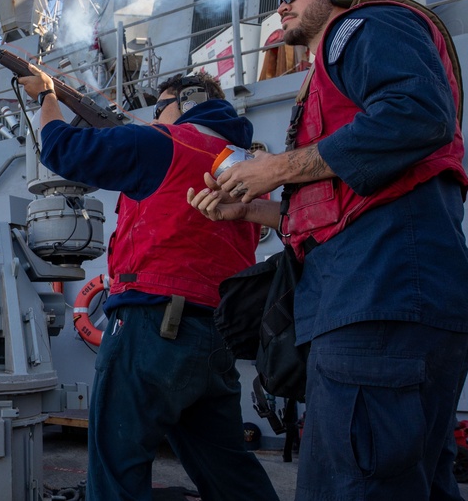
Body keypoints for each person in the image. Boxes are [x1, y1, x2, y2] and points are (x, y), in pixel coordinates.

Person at [189, 0, 468, 500]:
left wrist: (277, 167)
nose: (280, 7)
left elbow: (418, 114)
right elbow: (336, 204)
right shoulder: (339, 60)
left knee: (350, 484)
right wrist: (249, 208)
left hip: (377, 298)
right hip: (388, 295)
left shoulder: (359, 24)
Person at [18, 68, 279, 501]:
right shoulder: (248, 168)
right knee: (230, 471)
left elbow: (62, 150)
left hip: (150, 329)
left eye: (160, 108)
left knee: (117, 471)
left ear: (190, 102)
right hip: (216, 337)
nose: (154, 117)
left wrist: (46, 97)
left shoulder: (165, 143)